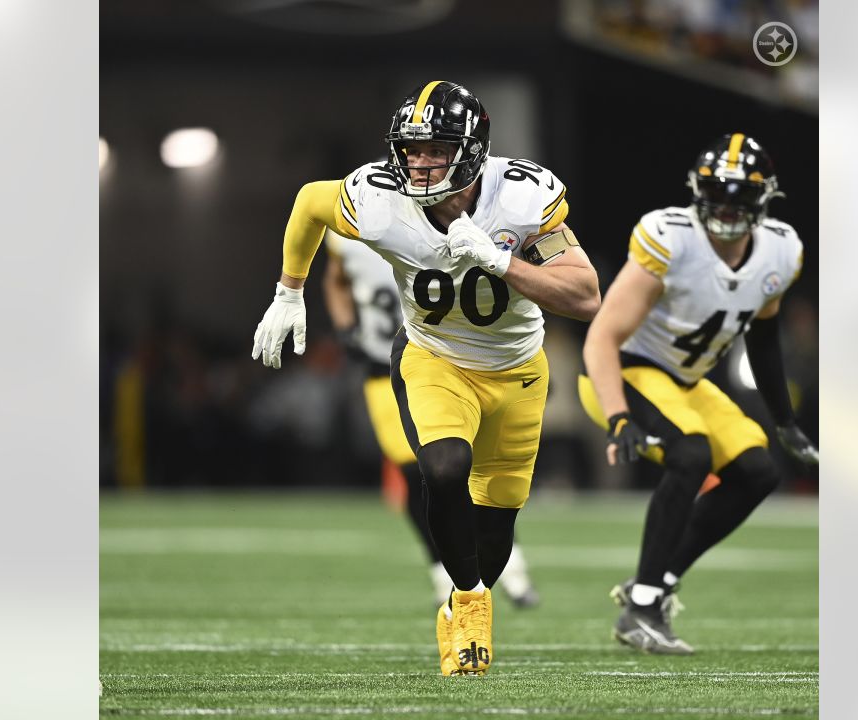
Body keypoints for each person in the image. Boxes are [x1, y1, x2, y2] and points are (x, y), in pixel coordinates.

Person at [251, 81, 600, 675]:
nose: (418, 161)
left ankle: (475, 587)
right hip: (432, 357)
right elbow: (311, 201)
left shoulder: (520, 200)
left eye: (434, 149)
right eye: (410, 149)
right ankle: (464, 606)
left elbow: (586, 296)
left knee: (496, 528)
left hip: (516, 368)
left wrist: (500, 260)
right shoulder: (378, 198)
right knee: (442, 468)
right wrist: (290, 289)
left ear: (471, 151)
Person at [578, 134, 819, 655]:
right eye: (718, 193)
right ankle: (641, 606)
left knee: (759, 471)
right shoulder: (671, 238)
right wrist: (619, 415)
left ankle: (657, 585)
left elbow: (764, 337)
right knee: (690, 454)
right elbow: (602, 336)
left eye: (740, 196)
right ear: (697, 192)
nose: (728, 207)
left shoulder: (781, 250)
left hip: (685, 382)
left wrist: (785, 421)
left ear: (764, 198)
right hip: (627, 372)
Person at [320, 227, 541, 609]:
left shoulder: (434, 227)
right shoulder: (347, 232)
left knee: (471, 469)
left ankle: (510, 566)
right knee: (417, 472)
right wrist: (345, 329)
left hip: (445, 363)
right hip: (383, 365)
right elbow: (335, 281)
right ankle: (443, 570)